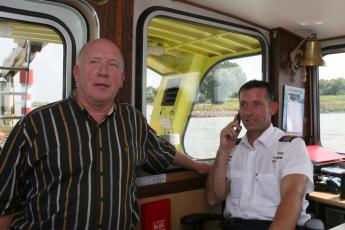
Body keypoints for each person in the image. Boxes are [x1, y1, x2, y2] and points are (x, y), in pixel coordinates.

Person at [0, 38, 209, 229]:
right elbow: (3, 201)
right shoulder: (36, 124)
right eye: (94, 62)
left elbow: (163, 151)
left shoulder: (132, 120)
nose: (104, 72)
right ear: (76, 73)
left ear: (122, 79)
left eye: (113, 65)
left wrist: (201, 167)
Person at [206, 80, 314, 230]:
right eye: (243, 105)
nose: (248, 112)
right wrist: (223, 150)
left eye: (257, 104)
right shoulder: (232, 148)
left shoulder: (292, 146)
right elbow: (214, 198)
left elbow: (292, 199)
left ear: (273, 108)